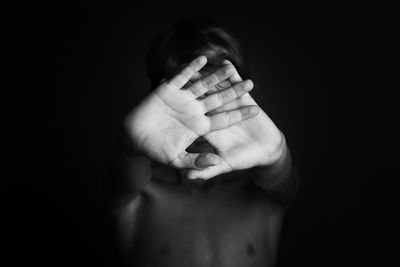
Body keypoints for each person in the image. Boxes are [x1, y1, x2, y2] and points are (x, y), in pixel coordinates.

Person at [105, 16, 299, 267]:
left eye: (219, 99)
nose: (203, 124)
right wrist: (128, 144)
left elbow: (284, 184)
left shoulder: (261, 193)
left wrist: (277, 152)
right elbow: (121, 184)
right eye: (190, 99)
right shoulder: (140, 195)